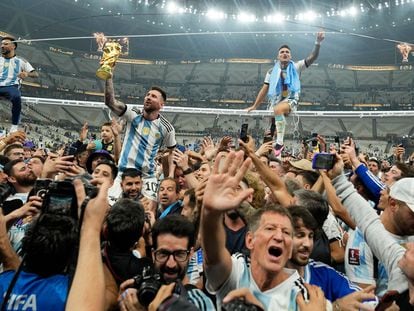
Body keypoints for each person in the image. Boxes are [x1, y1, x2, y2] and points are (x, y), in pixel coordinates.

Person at [200, 150, 325, 309]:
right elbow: (213, 255)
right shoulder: (237, 272)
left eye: (286, 232)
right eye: (270, 229)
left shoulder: (305, 297)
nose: (279, 236)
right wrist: (210, 213)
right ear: (250, 240)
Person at [247, 31, 325, 156]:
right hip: (275, 101)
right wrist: (255, 106)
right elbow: (264, 89)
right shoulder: (271, 72)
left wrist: (318, 43)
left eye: (287, 52)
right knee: (269, 132)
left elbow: (312, 57)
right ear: (278, 56)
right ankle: (270, 156)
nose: (284, 53)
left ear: (290, 56)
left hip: (290, 100)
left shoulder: (296, 66)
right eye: (282, 52)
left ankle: (280, 143)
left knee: (277, 110)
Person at [118, 215, 215, 310]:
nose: (171, 264)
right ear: (153, 254)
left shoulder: (199, 303)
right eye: (163, 254)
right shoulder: (140, 296)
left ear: (190, 254)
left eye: (179, 254)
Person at [104, 79, 176, 201]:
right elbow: (110, 102)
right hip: (123, 174)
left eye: (153, 96)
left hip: (147, 177)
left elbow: (171, 152)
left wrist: (170, 175)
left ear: (161, 105)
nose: (148, 97)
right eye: (147, 95)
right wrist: (108, 77)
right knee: (109, 210)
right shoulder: (133, 113)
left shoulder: (166, 128)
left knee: (148, 212)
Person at [286, 205, 363, 307]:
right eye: (300, 235)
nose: (307, 244)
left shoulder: (324, 273)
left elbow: (363, 301)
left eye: (311, 236)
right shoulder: (267, 279)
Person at [0, 36, 38, 133]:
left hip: (11, 87)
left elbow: (35, 74)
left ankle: (14, 126)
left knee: (17, 97)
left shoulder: (21, 61)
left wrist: (27, 74)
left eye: (5, 44)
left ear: (13, 46)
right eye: (2, 44)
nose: (2, 46)